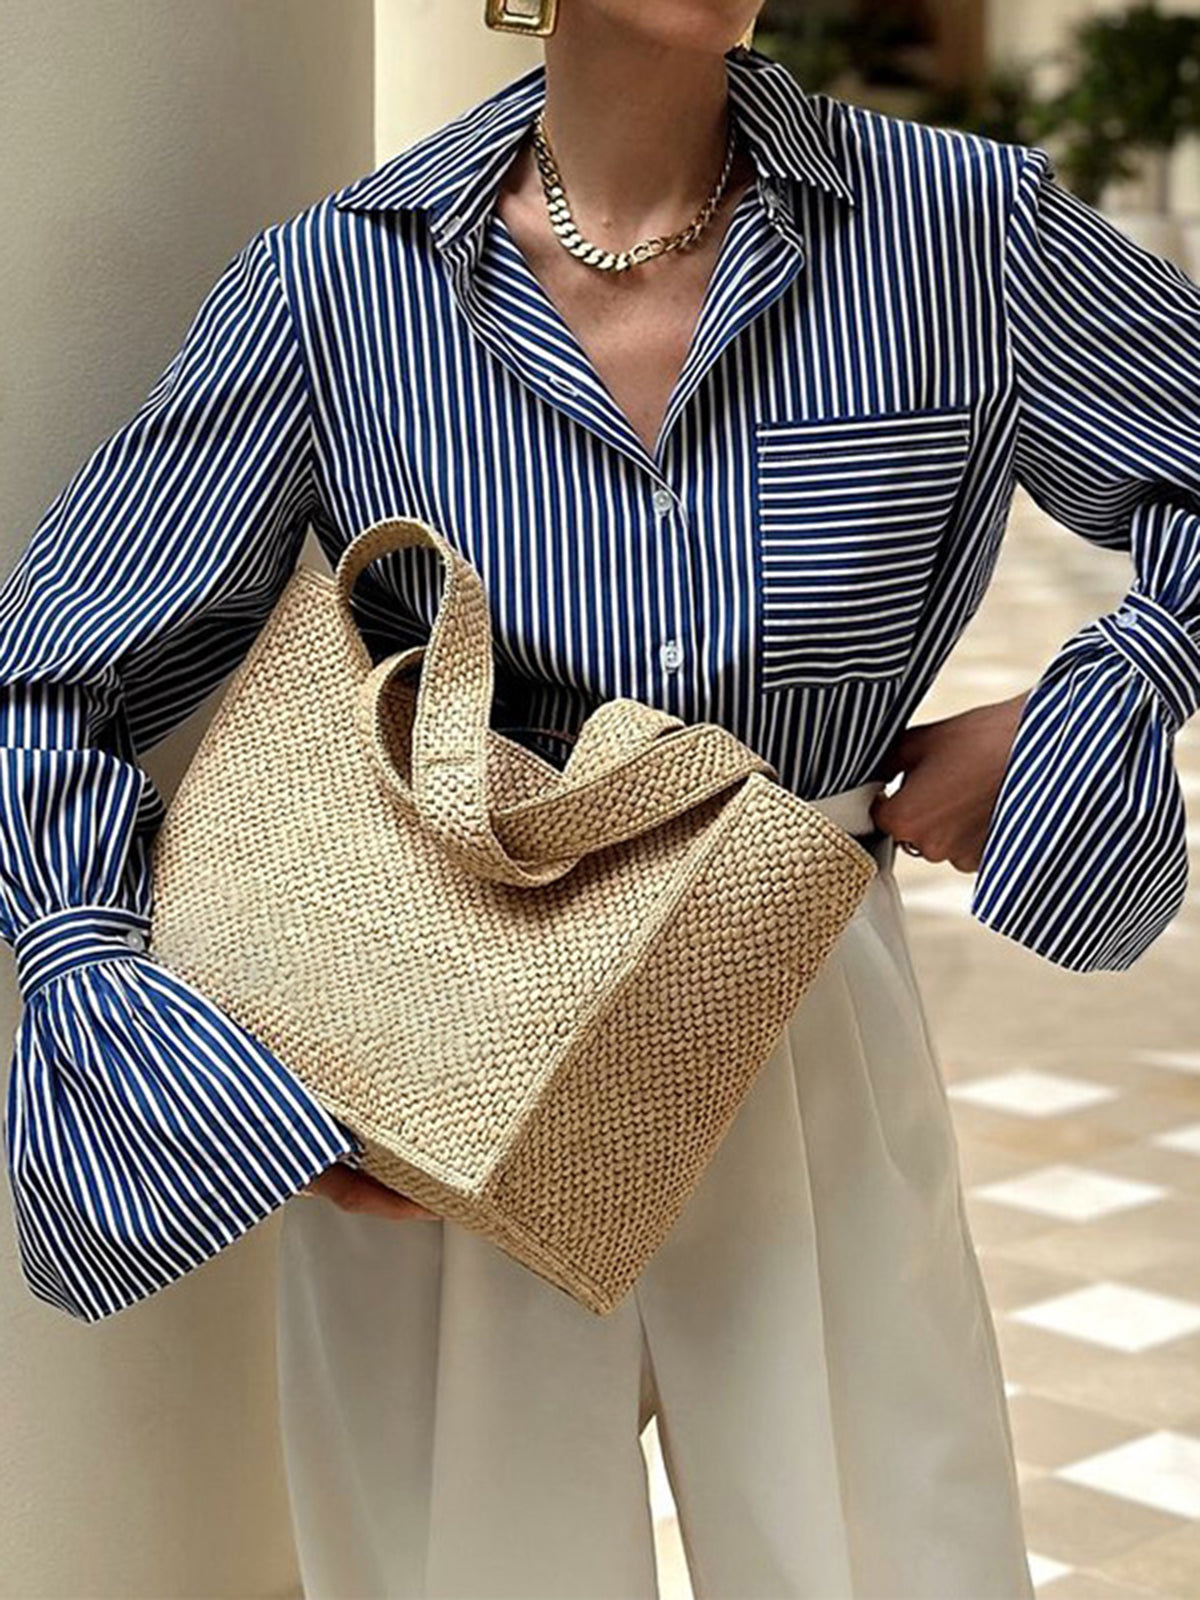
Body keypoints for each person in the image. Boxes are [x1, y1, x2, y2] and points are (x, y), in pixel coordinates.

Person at [3, 1, 1199, 1594]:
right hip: (444, 1041)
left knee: (890, 1559)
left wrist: (1099, 690)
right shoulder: (341, 284)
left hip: (796, 992)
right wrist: (134, 1015)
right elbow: (53, 679)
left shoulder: (959, 228)